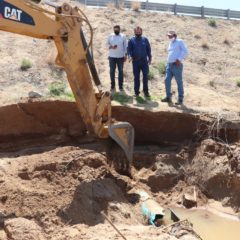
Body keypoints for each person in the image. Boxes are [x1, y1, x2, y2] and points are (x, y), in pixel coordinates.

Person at [161, 30, 188, 105]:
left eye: (171, 36)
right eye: (168, 36)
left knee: (179, 82)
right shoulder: (170, 43)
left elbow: (185, 51)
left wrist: (179, 59)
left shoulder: (180, 41)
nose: (169, 37)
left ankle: (180, 99)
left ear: (175, 36)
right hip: (169, 65)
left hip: (176, 65)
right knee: (167, 80)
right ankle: (168, 97)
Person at [128, 26, 152, 97]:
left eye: (139, 31)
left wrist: (150, 58)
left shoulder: (145, 39)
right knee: (136, 77)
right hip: (135, 62)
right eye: (137, 31)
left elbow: (148, 49)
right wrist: (130, 56)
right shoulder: (131, 40)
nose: (138, 32)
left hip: (144, 61)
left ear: (141, 32)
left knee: (145, 76)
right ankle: (136, 92)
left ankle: (146, 91)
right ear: (134, 32)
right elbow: (129, 50)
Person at [107, 25, 128, 93]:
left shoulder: (123, 36)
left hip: (120, 57)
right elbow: (106, 44)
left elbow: (125, 46)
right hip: (112, 57)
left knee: (121, 71)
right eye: (115, 29)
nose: (116, 30)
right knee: (112, 71)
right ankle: (112, 86)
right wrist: (111, 47)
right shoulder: (110, 35)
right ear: (113, 30)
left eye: (117, 29)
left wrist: (125, 55)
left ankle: (120, 86)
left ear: (119, 29)